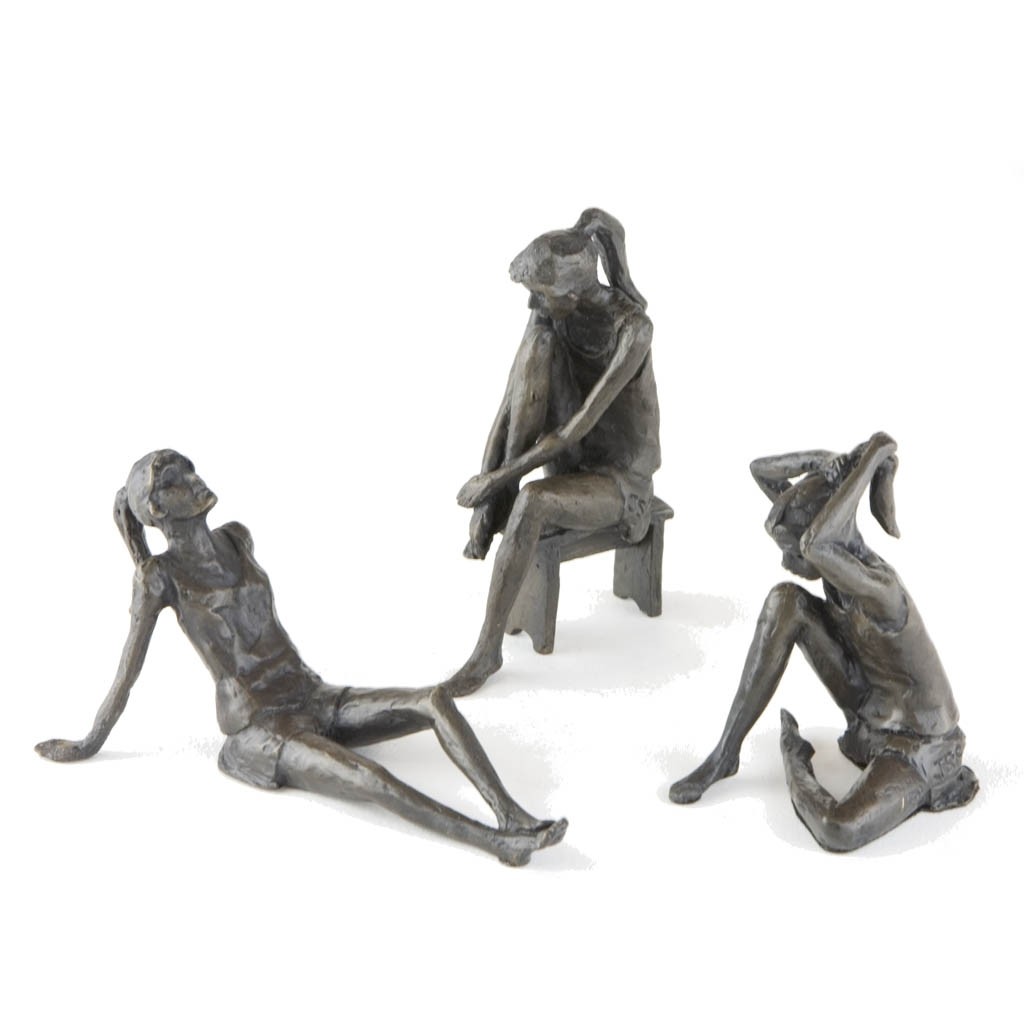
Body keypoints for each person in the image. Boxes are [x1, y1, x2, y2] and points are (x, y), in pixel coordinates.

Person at [36, 451, 566, 866]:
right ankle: (497, 843)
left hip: (312, 693)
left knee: (433, 701)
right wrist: (89, 742)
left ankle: (510, 812)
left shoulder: (237, 538)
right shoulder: (159, 577)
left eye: (191, 469)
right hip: (260, 728)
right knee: (370, 778)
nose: (195, 480)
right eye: (176, 480)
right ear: (156, 510)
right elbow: (126, 676)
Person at [669, 432, 977, 852]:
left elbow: (814, 546)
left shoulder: (880, 589)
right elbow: (760, 471)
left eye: (790, 550)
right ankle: (726, 752)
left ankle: (795, 759)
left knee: (838, 829)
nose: (788, 560)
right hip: (867, 706)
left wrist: (873, 455)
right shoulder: (827, 558)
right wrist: (827, 463)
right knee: (785, 601)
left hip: (918, 740)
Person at [448, 208, 660, 694]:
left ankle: (487, 652)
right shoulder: (553, 313)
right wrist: (486, 493)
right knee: (537, 347)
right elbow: (512, 403)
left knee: (533, 502)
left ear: (571, 293)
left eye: (539, 295)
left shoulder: (633, 330)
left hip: (619, 480)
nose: (532, 303)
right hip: (572, 458)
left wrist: (496, 482)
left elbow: (572, 428)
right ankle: (498, 511)